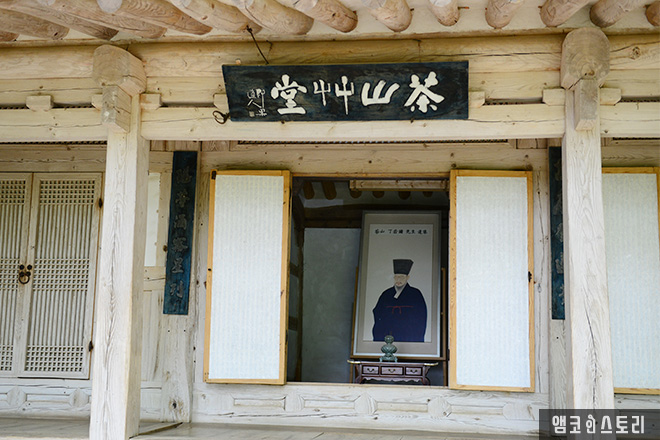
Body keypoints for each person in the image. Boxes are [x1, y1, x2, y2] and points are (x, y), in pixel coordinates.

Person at [372, 259, 427, 342]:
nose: (398, 280)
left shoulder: (415, 294)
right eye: (396, 277)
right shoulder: (386, 294)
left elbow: (421, 317)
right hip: (389, 336)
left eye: (402, 277)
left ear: (407, 277)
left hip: (408, 336)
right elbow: (377, 313)